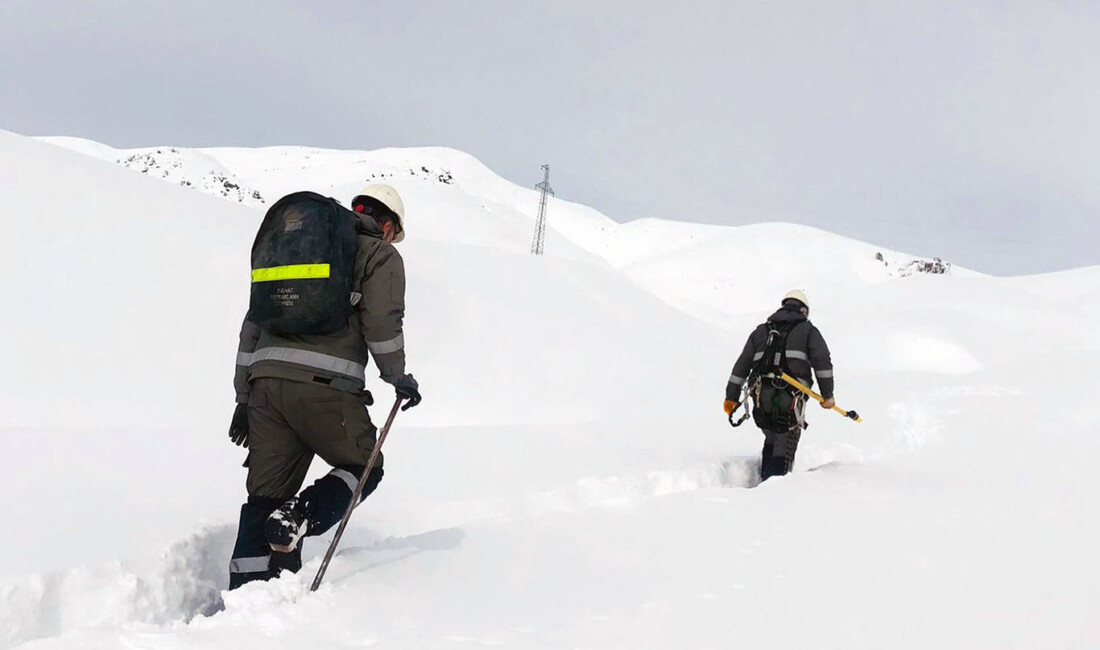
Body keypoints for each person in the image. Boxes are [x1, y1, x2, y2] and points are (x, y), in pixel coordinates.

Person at [225, 184, 422, 589]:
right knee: (365, 466)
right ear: (387, 225)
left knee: (265, 498)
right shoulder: (378, 253)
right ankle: (299, 518)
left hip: (264, 387)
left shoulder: (298, 248)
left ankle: (243, 602)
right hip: (325, 389)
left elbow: (252, 326)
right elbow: (383, 323)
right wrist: (398, 377)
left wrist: (244, 398)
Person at [723, 290, 834, 481]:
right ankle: (772, 494)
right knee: (784, 442)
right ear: (803, 310)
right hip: (789, 399)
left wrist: (731, 397)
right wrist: (828, 395)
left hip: (760, 397)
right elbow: (823, 362)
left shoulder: (761, 332)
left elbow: (741, 366)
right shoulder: (808, 331)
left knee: (772, 437)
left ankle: (763, 482)